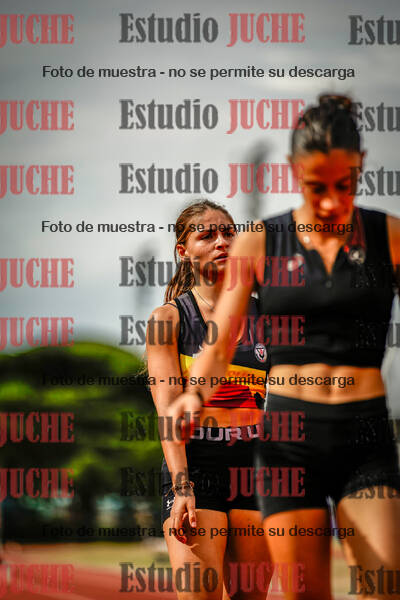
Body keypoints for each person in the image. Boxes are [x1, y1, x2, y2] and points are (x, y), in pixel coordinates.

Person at [169, 96, 400, 599]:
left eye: (345, 185)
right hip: (290, 442)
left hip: (364, 435)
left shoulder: (389, 236)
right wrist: (193, 394)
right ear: (295, 171)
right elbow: (220, 341)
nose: (332, 202)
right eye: (317, 186)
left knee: (385, 583)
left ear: (361, 167)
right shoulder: (261, 241)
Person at [146, 200, 271, 600]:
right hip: (196, 467)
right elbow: (169, 413)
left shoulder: (268, 316)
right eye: (207, 235)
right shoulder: (169, 319)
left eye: (229, 233)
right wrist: (182, 487)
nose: (222, 242)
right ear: (183, 251)